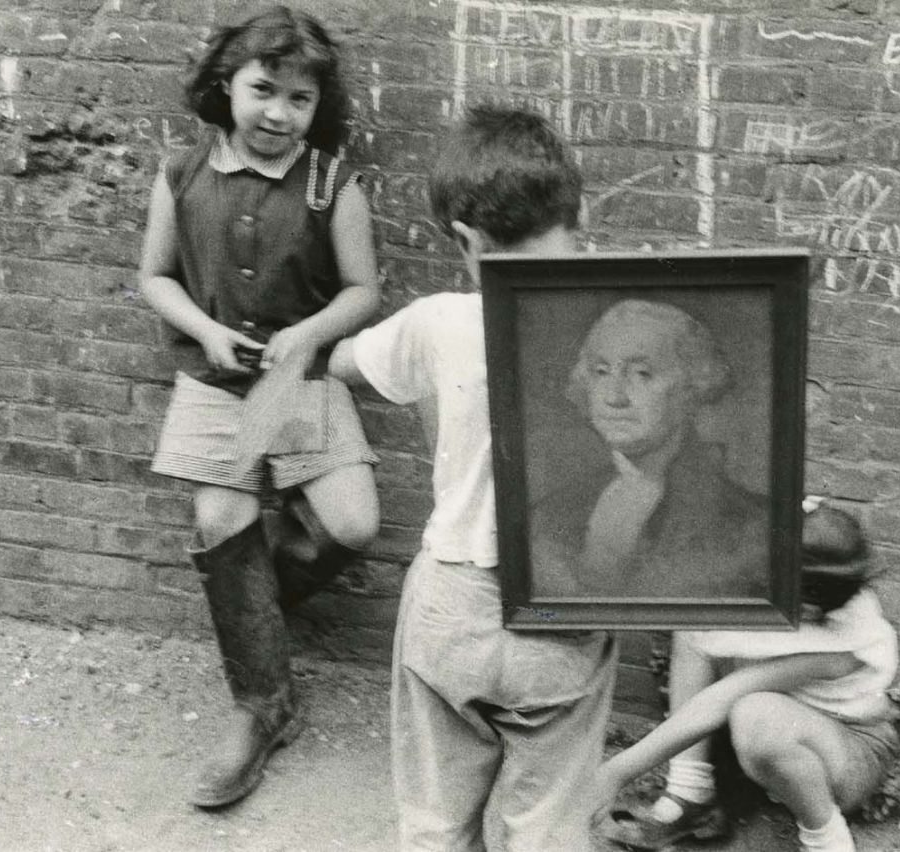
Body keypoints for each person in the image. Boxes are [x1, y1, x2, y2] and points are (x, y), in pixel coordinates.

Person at [327, 103, 618, 851]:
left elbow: (343, 362)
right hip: (564, 606)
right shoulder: (622, 326)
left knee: (434, 819)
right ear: (578, 212)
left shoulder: (439, 321)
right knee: (549, 823)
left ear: (464, 239)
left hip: (450, 604)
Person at [136, 6, 381, 808]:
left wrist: (307, 335)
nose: (277, 113)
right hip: (215, 384)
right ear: (225, 87)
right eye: (262, 90)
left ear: (319, 110)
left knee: (351, 525)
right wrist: (206, 332)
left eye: (298, 100)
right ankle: (262, 703)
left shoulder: (331, 183)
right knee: (220, 523)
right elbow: (155, 277)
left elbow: (363, 290)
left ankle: (253, 620)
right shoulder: (181, 171)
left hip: (297, 382)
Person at [590, 499, 899, 852]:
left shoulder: (845, 642)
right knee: (697, 627)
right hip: (792, 732)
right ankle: (690, 794)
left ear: (810, 604)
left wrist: (615, 773)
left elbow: (722, 699)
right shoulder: (818, 582)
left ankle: (828, 840)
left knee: (754, 714)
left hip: (850, 752)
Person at [529, 299, 769, 598]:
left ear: (693, 386)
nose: (614, 397)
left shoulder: (751, 525)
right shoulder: (550, 515)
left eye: (642, 373)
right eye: (601, 371)